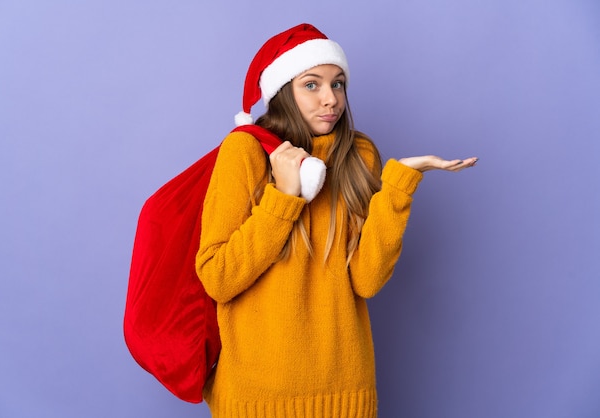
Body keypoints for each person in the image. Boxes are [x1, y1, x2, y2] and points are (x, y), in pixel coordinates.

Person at [195, 23, 477, 418]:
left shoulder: (358, 154)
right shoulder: (244, 152)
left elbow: (366, 278)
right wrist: (283, 197)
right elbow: (218, 278)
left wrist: (397, 188)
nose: (330, 99)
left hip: (344, 395)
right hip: (254, 399)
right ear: (283, 92)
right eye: (312, 84)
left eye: (338, 84)